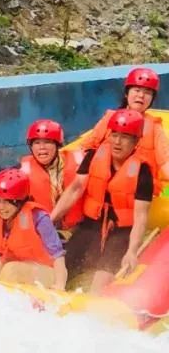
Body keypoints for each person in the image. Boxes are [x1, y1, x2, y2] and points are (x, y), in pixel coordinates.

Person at [53, 107, 153, 294]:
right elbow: (75, 189)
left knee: (101, 281)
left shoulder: (143, 172)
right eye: (114, 135)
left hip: (121, 231)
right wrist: (50, 219)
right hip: (91, 225)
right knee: (62, 269)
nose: (117, 142)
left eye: (125, 137)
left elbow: (140, 218)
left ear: (136, 142)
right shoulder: (94, 156)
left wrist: (132, 251)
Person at [0, 168, 67, 291]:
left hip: (45, 270)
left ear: (19, 203)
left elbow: (58, 255)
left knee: (10, 271)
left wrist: (60, 285)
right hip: (11, 262)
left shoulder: (38, 217)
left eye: (7, 202)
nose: (1, 207)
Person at [79, 66, 169, 181]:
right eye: (137, 90)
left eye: (147, 93)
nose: (141, 96)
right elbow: (85, 147)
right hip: (103, 185)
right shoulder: (110, 118)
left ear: (152, 99)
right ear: (126, 94)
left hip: (138, 191)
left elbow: (166, 164)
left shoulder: (155, 128)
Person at [20, 119, 83, 233]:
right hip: (43, 232)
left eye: (47, 142)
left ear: (57, 145)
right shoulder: (22, 172)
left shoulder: (80, 162)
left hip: (78, 229)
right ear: (31, 147)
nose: (41, 147)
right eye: (37, 143)